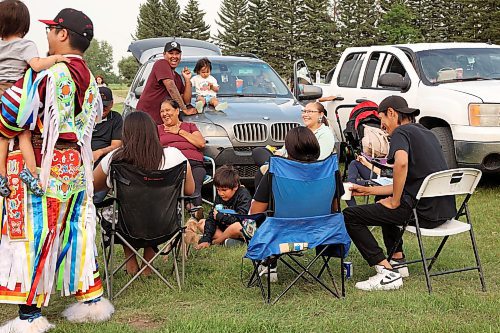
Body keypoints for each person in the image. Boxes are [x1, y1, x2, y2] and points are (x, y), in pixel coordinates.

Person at [0, 8, 114, 332]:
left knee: (35, 236)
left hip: (40, 168)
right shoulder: (90, 79)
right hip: (75, 167)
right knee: (76, 230)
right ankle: (90, 300)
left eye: (51, 30)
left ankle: (30, 316)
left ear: (63, 35)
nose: (46, 36)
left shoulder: (47, 75)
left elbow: (12, 116)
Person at [343, 96, 457, 291]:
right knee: (381, 199)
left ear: (392, 113)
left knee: (351, 216)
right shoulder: (427, 133)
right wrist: (368, 190)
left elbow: (401, 163)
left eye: (382, 120)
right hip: (442, 211)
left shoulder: (401, 132)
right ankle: (398, 260)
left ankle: (386, 272)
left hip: (420, 212)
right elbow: (406, 182)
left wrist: (395, 201)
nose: (383, 126)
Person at [94, 111, 195, 275]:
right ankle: (148, 265)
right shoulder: (175, 156)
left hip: (126, 226)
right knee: (150, 207)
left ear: (126, 134)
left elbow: (92, 185)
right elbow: (189, 190)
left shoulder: (115, 158)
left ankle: (131, 263)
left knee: (124, 210)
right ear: (154, 131)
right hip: (165, 224)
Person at [0, 0, 70, 199]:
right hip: (16, 96)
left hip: (0, 96)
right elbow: (37, 65)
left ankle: (1, 174)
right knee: (24, 136)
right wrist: (55, 59)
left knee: (3, 137)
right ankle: (30, 172)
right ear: (24, 24)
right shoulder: (25, 45)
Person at [252, 101, 335, 187]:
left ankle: (272, 167)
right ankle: (272, 165)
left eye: (310, 112)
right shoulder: (300, 130)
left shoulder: (325, 133)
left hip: (302, 168)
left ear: (320, 114)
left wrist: (285, 162)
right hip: (286, 162)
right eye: (304, 111)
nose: (305, 115)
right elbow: (285, 149)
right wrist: (279, 152)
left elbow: (319, 159)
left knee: (263, 170)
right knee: (258, 151)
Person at [157, 99, 205, 218]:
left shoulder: (189, 126)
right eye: (162, 111)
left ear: (177, 111)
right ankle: (190, 206)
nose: (164, 114)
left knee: (196, 178)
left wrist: (179, 131)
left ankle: (192, 204)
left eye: (168, 110)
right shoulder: (158, 129)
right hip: (172, 164)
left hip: (194, 163)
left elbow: (201, 143)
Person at [136, 40, 197, 124]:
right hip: (146, 120)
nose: (174, 56)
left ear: (180, 55)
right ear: (164, 54)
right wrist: (184, 109)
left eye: (177, 53)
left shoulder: (177, 77)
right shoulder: (161, 63)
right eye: (171, 53)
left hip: (163, 123)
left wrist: (187, 80)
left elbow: (186, 101)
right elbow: (171, 87)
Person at [194, 165, 252, 249]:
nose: (221, 193)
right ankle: (227, 241)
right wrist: (206, 238)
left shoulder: (243, 195)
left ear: (235, 187)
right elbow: (211, 218)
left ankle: (216, 241)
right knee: (202, 223)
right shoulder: (220, 196)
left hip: (240, 228)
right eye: (218, 189)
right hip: (224, 228)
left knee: (236, 227)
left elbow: (241, 218)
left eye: (224, 190)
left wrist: (220, 217)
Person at [92, 87, 123, 203]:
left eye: (105, 105)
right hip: (83, 154)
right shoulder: (84, 116)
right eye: (98, 105)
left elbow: (117, 145)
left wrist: (100, 152)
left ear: (112, 104)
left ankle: (95, 200)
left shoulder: (116, 118)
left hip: (104, 157)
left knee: (107, 163)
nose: (102, 109)